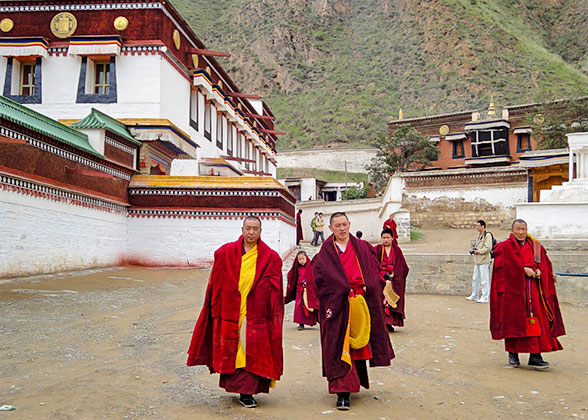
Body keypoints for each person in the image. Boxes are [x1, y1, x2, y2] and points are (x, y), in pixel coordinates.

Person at [186, 216, 284, 408]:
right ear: (242, 229)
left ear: (260, 231)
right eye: (248, 228)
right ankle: (240, 389)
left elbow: (275, 290)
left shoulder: (270, 257)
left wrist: (270, 313)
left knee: (250, 351)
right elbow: (216, 283)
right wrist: (215, 308)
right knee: (234, 350)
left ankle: (246, 392)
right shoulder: (226, 252)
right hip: (231, 310)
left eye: (255, 229)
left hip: (255, 313)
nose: (251, 232)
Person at [312, 212, 394, 411]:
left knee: (356, 346)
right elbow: (320, 280)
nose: (342, 228)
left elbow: (374, 273)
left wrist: (369, 286)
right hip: (338, 304)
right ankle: (342, 391)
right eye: (337, 225)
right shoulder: (325, 252)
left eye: (344, 224)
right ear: (330, 228)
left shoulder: (362, 247)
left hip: (360, 302)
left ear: (349, 225)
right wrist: (340, 289)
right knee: (339, 347)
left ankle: (352, 383)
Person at [489, 219, 566, 369]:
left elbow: (545, 265)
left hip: (534, 291)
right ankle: (513, 354)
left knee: (538, 320)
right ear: (512, 231)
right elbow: (501, 268)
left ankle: (535, 356)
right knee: (513, 321)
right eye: (517, 229)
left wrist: (539, 271)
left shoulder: (536, 246)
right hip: (513, 293)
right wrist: (523, 270)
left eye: (523, 229)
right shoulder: (505, 247)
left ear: (527, 230)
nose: (521, 232)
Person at [375, 228, 409, 332]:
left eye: (387, 238)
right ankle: (383, 322)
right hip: (381, 280)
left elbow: (402, 266)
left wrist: (395, 275)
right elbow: (372, 262)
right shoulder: (378, 249)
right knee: (381, 300)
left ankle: (390, 322)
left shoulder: (397, 250)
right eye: (383, 238)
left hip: (393, 279)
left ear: (392, 238)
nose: (385, 240)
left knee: (392, 301)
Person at [285, 250, 319, 330]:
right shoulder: (297, 268)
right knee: (299, 308)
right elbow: (292, 276)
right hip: (299, 291)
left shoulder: (310, 267)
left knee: (309, 306)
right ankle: (301, 324)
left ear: (306, 258)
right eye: (299, 260)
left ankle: (310, 322)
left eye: (303, 259)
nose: (301, 261)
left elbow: (314, 278)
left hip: (308, 291)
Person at [466, 220, 492, 303]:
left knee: (484, 280)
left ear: (483, 226)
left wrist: (478, 251)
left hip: (484, 260)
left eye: (478, 226)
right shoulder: (480, 235)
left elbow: (488, 248)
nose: (477, 227)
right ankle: (475, 294)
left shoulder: (487, 235)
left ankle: (485, 297)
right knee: (475, 279)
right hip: (477, 260)